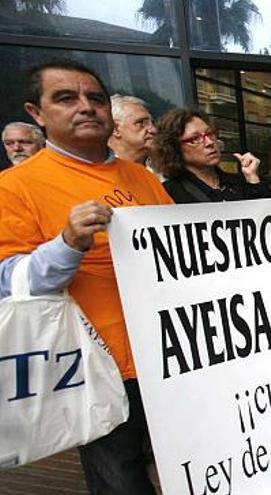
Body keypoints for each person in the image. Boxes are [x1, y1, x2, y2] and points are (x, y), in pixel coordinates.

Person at [0, 60, 173, 494]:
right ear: (36, 113)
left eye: (95, 98)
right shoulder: (16, 186)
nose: (86, 108)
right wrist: (67, 243)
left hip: (168, 357)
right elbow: (10, 282)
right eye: (65, 98)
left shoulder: (141, 178)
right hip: (98, 369)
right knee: (122, 482)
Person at [152, 108, 271, 203]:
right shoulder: (168, 194)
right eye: (194, 139)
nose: (209, 142)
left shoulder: (240, 183)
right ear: (174, 148)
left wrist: (253, 179)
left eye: (209, 133)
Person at [107, 94, 155, 166]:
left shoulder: (165, 170)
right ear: (115, 129)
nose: (153, 130)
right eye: (141, 123)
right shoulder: (98, 171)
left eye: (152, 123)